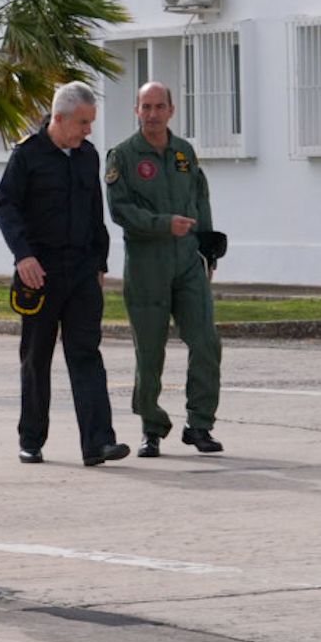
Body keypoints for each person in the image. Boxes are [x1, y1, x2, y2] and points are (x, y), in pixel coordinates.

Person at [0, 82, 130, 468]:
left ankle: (99, 443)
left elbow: (94, 214)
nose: (88, 131)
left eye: (91, 123)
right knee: (36, 358)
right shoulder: (27, 155)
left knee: (86, 354)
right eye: (83, 123)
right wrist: (23, 256)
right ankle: (31, 440)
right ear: (59, 118)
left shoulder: (88, 156)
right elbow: (6, 207)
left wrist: (100, 264)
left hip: (83, 272)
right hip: (40, 273)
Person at [106, 81, 223, 456]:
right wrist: (161, 224)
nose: (153, 114)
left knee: (205, 340)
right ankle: (151, 427)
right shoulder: (123, 156)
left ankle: (200, 424)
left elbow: (199, 198)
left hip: (188, 261)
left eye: (159, 106)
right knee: (150, 351)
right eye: (146, 107)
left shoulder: (184, 152)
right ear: (136, 111)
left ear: (172, 110)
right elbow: (121, 210)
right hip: (146, 264)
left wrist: (208, 250)